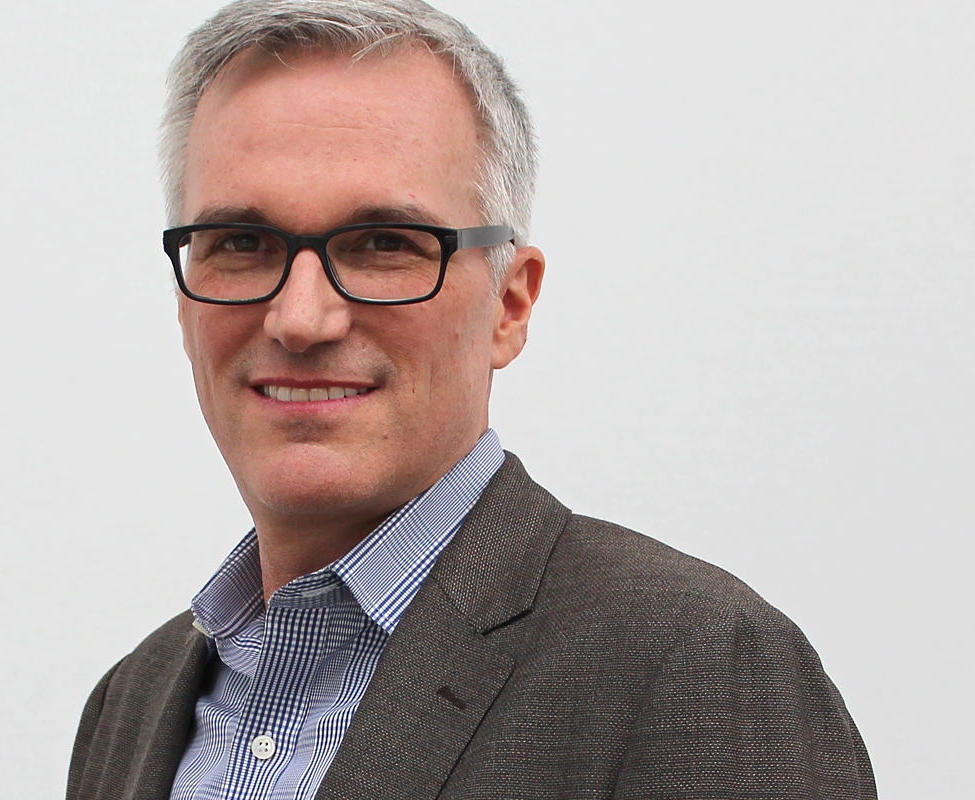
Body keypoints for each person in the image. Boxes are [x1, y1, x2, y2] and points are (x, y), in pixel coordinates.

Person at [68, 1, 875, 798]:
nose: (301, 318)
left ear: (510, 305)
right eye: (241, 244)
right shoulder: (130, 708)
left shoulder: (695, 668)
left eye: (385, 243)